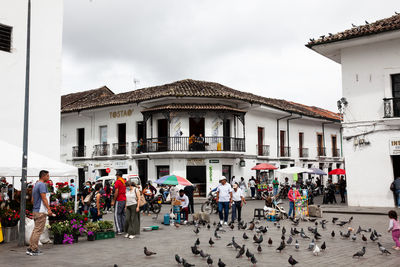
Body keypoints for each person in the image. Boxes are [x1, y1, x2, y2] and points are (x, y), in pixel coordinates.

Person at [27, 170, 54, 256]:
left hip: (36, 210)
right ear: (44, 176)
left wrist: (36, 206)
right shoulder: (42, 185)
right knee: (38, 231)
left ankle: (31, 248)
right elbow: (44, 198)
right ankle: (33, 249)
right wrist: (49, 209)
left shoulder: (36, 185)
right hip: (41, 211)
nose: (48, 177)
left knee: (35, 230)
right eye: (48, 176)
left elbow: (32, 200)